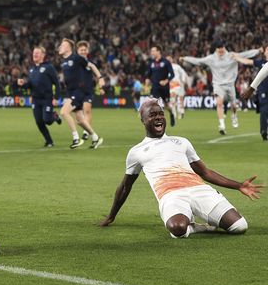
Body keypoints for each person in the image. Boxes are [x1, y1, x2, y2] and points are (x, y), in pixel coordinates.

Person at [99, 98, 263, 238]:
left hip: (198, 189)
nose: (158, 118)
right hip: (170, 195)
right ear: (143, 120)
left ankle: (201, 221)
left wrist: (239, 185)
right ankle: (198, 227)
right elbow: (126, 185)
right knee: (177, 228)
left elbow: (205, 172)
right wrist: (111, 216)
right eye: (152, 115)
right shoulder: (136, 152)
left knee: (240, 226)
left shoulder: (181, 142)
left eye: (160, 114)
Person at [181, 41, 260, 135]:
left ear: (224, 48)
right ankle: (221, 125)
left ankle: (234, 116)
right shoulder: (211, 58)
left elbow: (245, 54)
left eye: (222, 49)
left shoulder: (231, 55)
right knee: (219, 103)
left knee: (233, 106)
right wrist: (185, 58)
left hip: (230, 84)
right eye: (219, 50)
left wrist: (257, 51)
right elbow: (198, 61)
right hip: (218, 84)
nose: (221, 51)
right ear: (216, 49)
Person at [57, 38, 103, 149]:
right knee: (80, 120)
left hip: (78, 92)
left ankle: (76, 138)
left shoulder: (76, 58)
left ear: (68, 47)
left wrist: (100, 78)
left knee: (64, 112)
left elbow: (91, 65)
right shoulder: (64, 62)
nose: (60, 47)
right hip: (70, 92)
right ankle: (95, 137)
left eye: (62, 45)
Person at [17, 46, 62, 147]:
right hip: (36, 100)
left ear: (43, 55)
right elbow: (30, 85)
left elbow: (57, 83)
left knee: (47, 121)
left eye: (37, 53)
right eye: (34, 53)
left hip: (47, 99)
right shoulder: (32, 69)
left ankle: (54, 116)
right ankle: (49, 141)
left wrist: (56, 97)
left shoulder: (49, 67)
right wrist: (23, 84)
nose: (35, 55)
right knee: (39, 121)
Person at [234, 46, 268, 141]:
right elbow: (248, 62)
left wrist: (251, 89)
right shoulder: (261, 62)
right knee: (264, 110)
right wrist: (236, 58)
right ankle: (264, 131)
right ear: (264, 52)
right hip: (263, 90)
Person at [76, 40, 105, 140]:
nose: (83, 51)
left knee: (87, 111)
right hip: (76, 92)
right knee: (78, 115)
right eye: (81, 50)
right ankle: (85, 131)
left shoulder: (90, 64)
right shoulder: (75, 63)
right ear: (77, 51)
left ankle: (86, 132)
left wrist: (100, 85)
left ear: (87, 51)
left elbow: (98, 76)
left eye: (84, 50)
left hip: (88, 91)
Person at [145, 45, 175, 127]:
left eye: (153, 51)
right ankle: (156, 121)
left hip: (164, 87)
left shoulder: (166, 62)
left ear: (158, 51)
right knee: (155, 103)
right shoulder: (151, 63)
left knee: (166, 105)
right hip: (155, 86)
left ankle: (171, 114)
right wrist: (147, 82)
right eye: (151, 51)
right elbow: (148, 75)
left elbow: (172, 74)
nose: (152, 52)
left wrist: (166, 80)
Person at [166, 55, 188, 120]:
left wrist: (183, 81)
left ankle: (181, 112)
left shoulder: (177, 66)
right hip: (170, 85)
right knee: (173, 99)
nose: (169, 60)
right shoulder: (165, 68)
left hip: (178, 84)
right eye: (167, 59)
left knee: (180, 99)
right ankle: (174, 114)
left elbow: (183, 73)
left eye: (170, 59)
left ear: (172, 60)